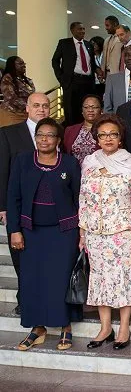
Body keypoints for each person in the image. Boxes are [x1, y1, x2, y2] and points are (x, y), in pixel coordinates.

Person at [7, 117, 83, 351]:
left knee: (60, 279)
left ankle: (65, 326)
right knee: (32, 279)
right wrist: (14, 230)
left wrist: (82, 232)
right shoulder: (22, 161)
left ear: (58, 140)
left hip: (64, 232)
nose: (44, 139)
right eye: (40, 135)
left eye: (50, 135)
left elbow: (80, 198)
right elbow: (13, 197)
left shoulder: (69, 164)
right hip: (31, 232)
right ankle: (37, 328)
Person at [79, 113, 131, 350]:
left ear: (120, 138)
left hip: (123, 231)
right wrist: (82, 231)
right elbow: (83, 197)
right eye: (103, 135)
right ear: (97, 138)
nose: (108, 139)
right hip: (95, 232)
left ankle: (124, 326)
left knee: (123, 279)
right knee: (99, 279)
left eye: (113, 134)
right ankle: (105, 327)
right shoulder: (89, 162)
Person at [0, 93, 50, 315]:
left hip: (48, 207)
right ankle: (25, 299)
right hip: (18, 206)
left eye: (45, 106)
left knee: (43, 257)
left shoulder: (55, 134)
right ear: (27, 108)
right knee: (20, 255)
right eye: (37, 105)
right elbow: (2, 172)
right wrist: (3, 207)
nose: (41, 109)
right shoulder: (8, 134)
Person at [51, 22, 96, 126]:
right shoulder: (64, 43)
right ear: (72, 30)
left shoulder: (89, 44)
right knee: (71, 111)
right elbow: (55, 60)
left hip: (88, 82)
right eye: (79, 29)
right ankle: (72, 136)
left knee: (87, 108)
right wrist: (61, 78)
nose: (82, 31)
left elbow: (91, 63)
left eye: (84, 29)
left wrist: (97, 70)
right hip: (72, 82)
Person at [64, 94, 102, 165]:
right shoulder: (70, 130)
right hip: (74, 172)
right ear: (82, 110)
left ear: (101, 110)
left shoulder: (106, 131)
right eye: (86, 107)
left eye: (94, 107)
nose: (90, 110)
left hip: (97, 172)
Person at [0, 56, 35, 127]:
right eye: (20, 64)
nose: (24, 65)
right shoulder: (7, 78)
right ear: (13, 65)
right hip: (11, 114)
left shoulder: (26, 80)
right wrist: (29, 106)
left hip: (25, 114)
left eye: (24, 63)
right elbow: (11, 97)